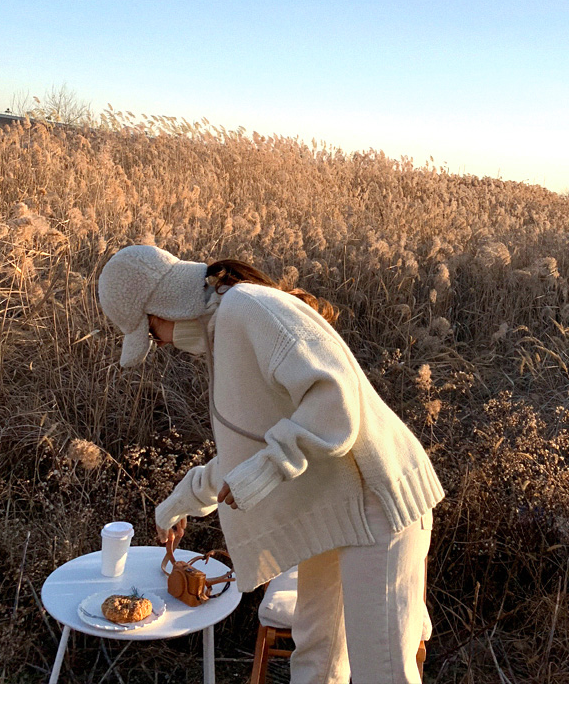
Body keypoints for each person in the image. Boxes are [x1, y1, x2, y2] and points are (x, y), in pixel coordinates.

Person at [97, 240, 444, 684]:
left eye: (150, 333)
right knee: (316, 661)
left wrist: (268, 469)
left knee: (383, 676)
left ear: (163, 306)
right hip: (333, 509)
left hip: (377, 502)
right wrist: (179, 503)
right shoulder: (226, 331)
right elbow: (247, 455)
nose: (160, 344)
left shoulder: (247, 308)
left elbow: (334, 399)